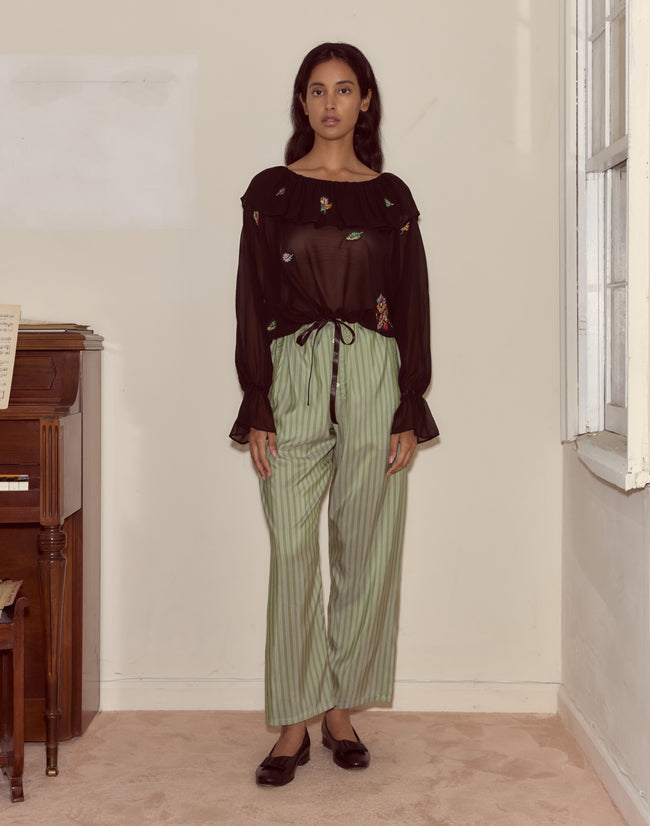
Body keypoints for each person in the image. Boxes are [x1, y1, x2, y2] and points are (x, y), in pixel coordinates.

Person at [230, 42, 438, 786]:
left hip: (376, 376)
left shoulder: (390, 199)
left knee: (365, 551)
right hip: (291, 373)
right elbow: (252, 298)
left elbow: (411, 301)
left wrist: (408, 403)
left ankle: (340, 709)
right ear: (302, 102)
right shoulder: (270, 192)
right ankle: (294, 718)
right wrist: (258, 399)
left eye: (344, 89)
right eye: (316, 90)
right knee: (293, 550)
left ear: (366, 102)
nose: (329, 103)